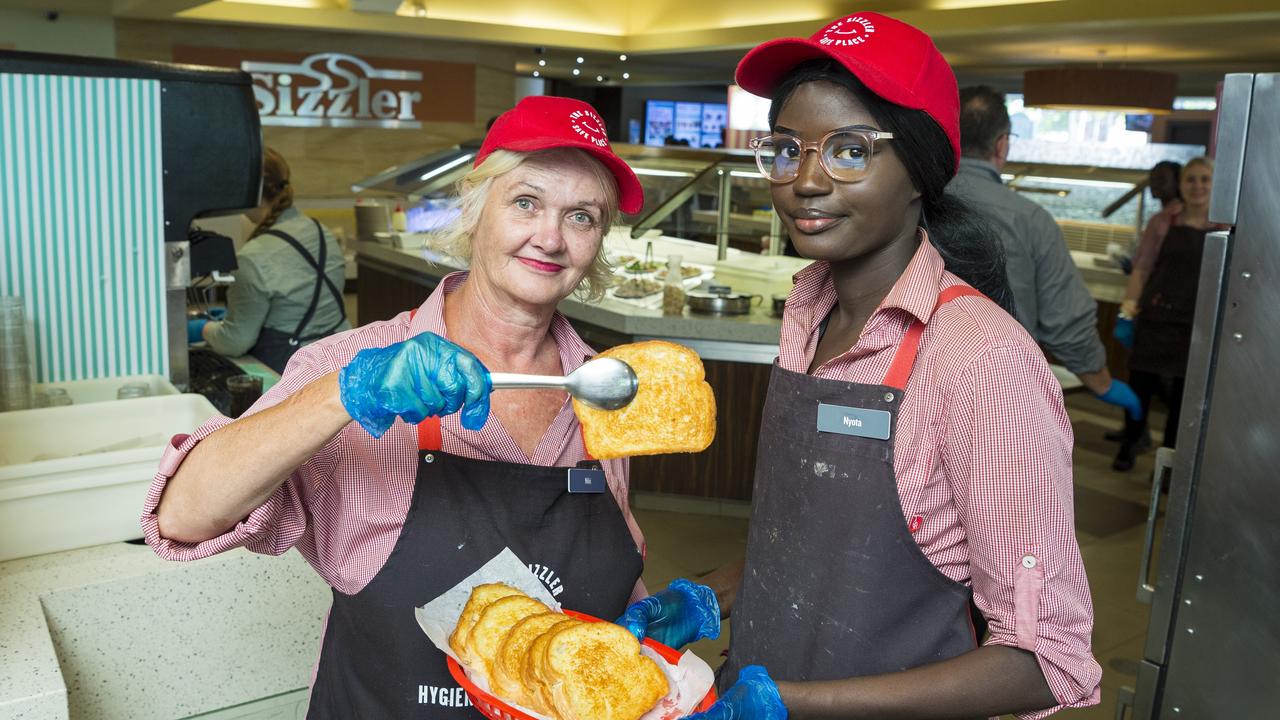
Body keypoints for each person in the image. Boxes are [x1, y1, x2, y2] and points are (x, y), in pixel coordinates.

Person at [620, 13, 1100, 718]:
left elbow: (1046, 663)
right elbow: (840, 553)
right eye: (786, 149)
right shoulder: (807, 314)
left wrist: (793, 705)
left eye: (849, 150)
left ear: (920, 168)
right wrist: (716, 595)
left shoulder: (980, 359)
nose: (805, 181)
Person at [143, 96, 649, 718]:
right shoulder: (354, 362)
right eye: (526, 202)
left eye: (582, 217)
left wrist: (643, 629)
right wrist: (344, 395)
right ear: (475, 208)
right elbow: (184, 516)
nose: (550, 237)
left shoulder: (604, 388)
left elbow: (606, 558)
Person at [946, 85, 1141, 421]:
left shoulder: (908, 199)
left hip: (908, 378)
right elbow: (1065, 320)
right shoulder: (1030, 219)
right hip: (1000, 389)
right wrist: (1101, 383)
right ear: (1002, 144)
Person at [189, 148, 350, 373]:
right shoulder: (320, 231)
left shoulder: (252, 257)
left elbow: (235, 341)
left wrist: (202, 329)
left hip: (292, 369)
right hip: (339, 359)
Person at [1111, 157, 1220, 471]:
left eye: (1205, 179)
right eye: (1191, 180)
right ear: (1181, 185)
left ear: (1215, 183)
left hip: (1196, 324)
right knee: (1140, 386)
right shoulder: (1162, 222)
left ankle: (1172, 462)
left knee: (1184, 398)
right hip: (1156, 317)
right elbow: (1141, 269)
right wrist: (1127, 312)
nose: (1198, 186)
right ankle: (1130, 444)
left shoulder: (1223, 227)